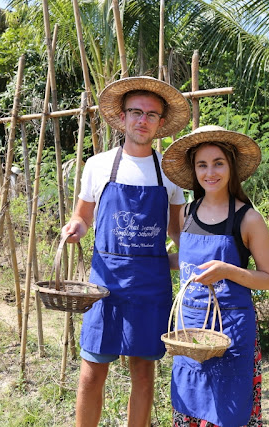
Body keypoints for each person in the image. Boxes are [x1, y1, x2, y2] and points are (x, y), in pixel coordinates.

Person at [61, 76, 190, 427]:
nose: (143, 120)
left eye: (151, 114)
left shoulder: (170, 175)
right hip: (106, 285)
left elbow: (177, 231)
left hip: (151, 287)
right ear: (122, 117)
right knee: (91, 374)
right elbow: (83, 217)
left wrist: (194, 257)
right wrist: (75, 228)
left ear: (161, 124)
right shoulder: (99, 165)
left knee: (144, 373)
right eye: (136, 111)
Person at [161, 125, 269, 427]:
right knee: (191, 404)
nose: (209, 172)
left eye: (218, 163)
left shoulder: (248, 218)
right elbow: (186, 263)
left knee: (230, 412)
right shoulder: (185, 213)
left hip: (231, 332)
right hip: (190, 330)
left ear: (231, 168)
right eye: (202, 165)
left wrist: (227, 271)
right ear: (194, 170)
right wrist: (150, 262)